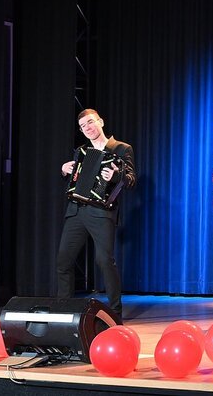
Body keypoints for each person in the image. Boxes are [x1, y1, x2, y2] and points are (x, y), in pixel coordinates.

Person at [57, 109, 136, 318]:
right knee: (63, 261)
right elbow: (74, 180)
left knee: (104, 260)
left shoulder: (121, 148)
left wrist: (116, 175)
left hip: (101, 212)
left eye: (90, 122)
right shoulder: (82, 151)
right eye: (83, 126)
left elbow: (131, 180)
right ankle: (64, 310)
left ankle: (115, 312)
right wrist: (65, 171)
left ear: (100, 121)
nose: (87, 128)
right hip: (76, 210)